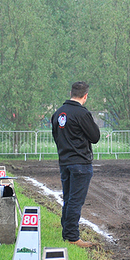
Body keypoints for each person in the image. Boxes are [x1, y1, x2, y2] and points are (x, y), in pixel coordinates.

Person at [51, 81, 100, 248]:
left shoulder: (58, 113)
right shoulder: (82, 113)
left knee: (68, 199)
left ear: (71, 92)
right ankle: (73, 237)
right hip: (80, 163)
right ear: (85, 96)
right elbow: (95, 136)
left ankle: (67, 234)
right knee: (75, 201)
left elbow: (56, 137)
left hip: (64, 162)